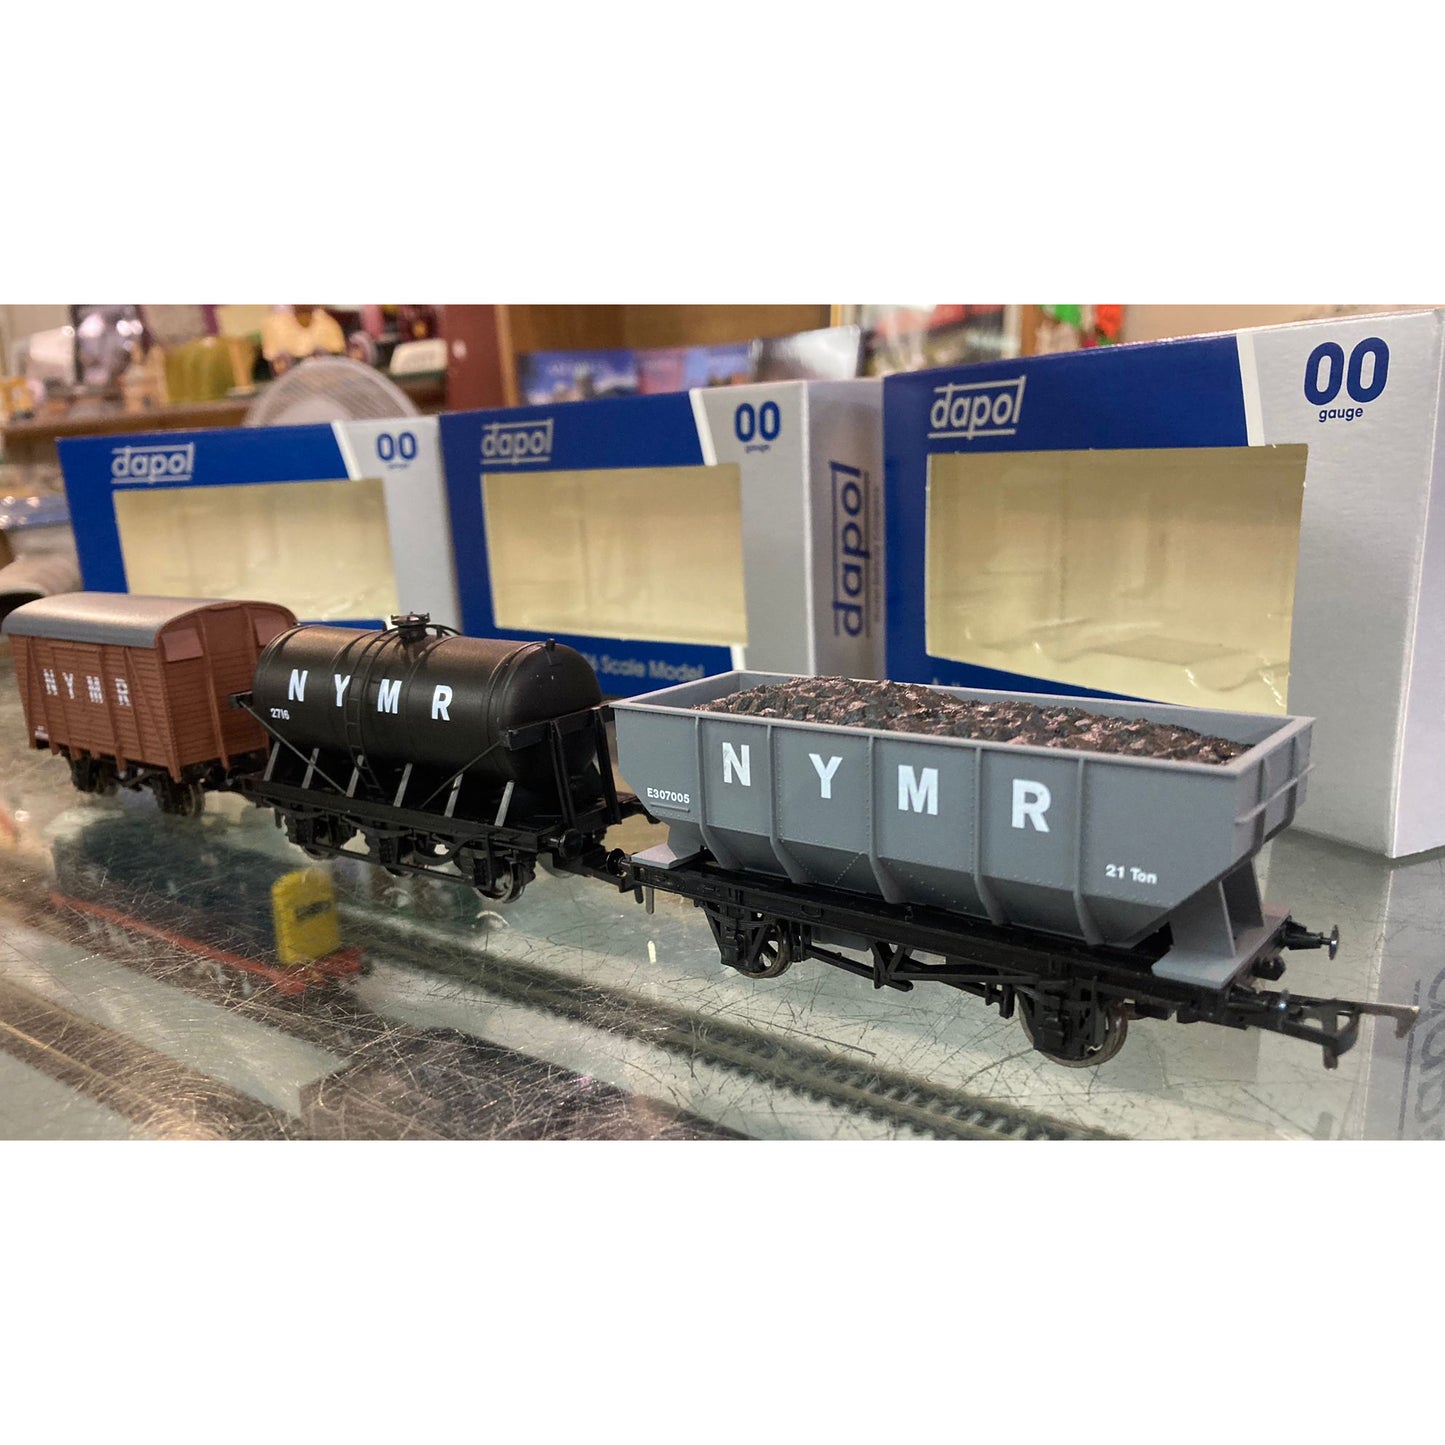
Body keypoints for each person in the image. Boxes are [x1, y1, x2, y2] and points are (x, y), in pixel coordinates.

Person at [261, 305, 345, 375]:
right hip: (287, 385)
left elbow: (338, 356)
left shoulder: (328, 324)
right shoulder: (275, 324)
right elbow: (275, 360)